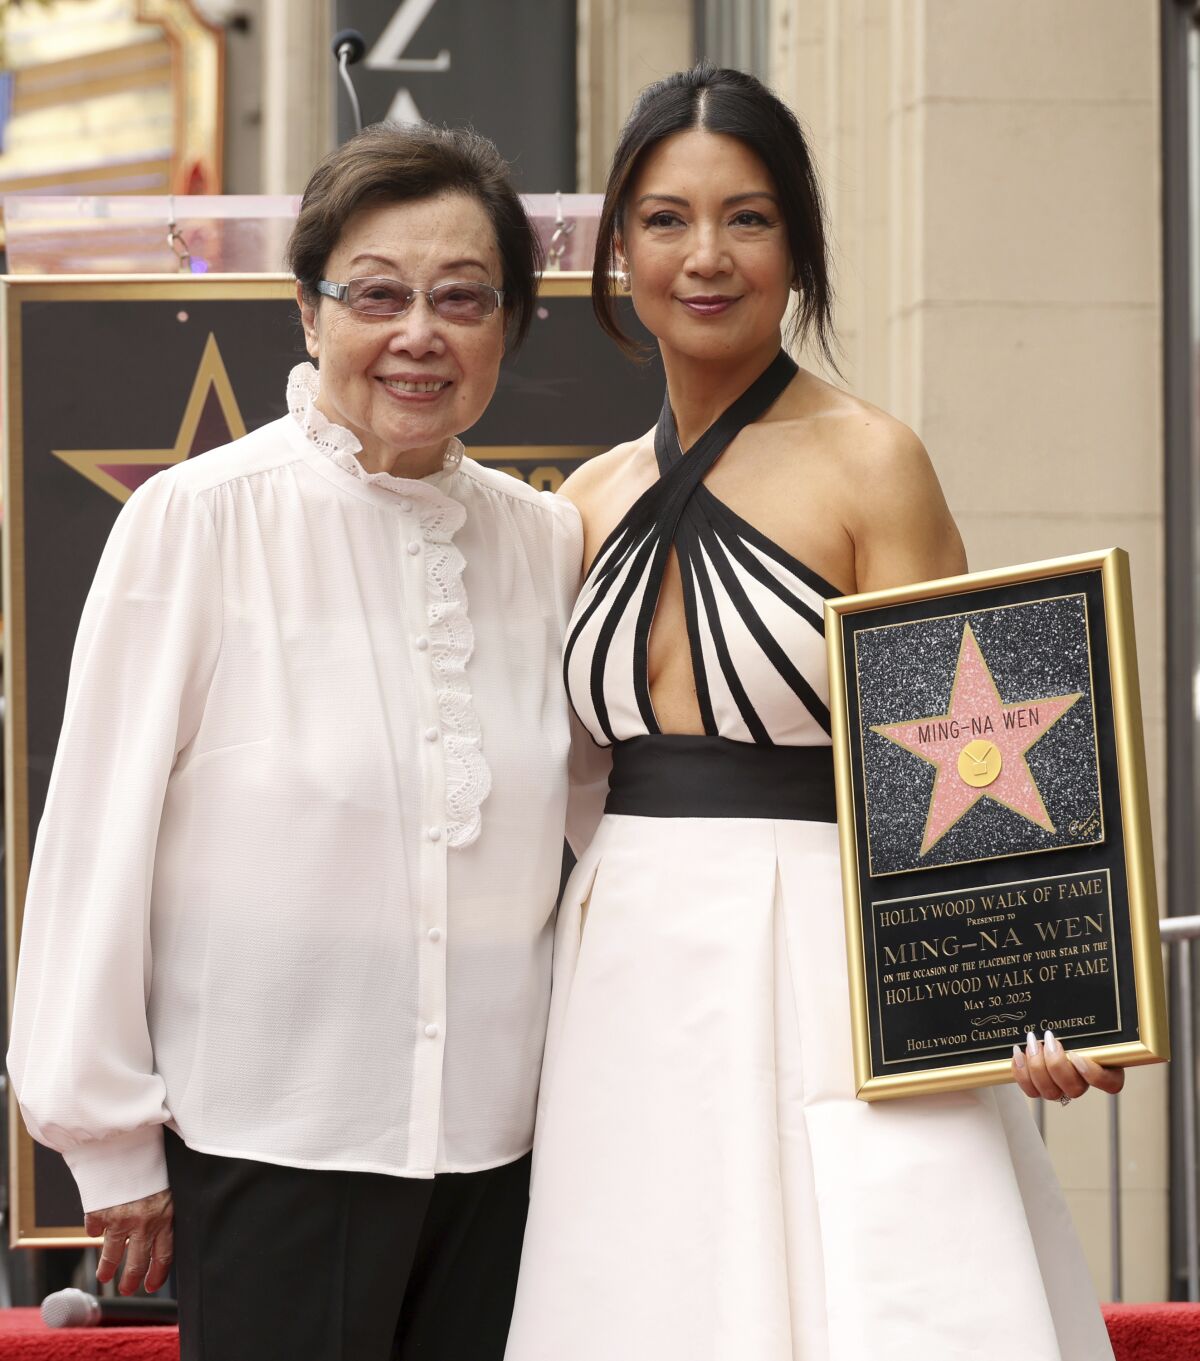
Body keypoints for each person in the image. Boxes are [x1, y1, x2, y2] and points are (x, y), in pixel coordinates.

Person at [504, 64, 1123, 1361]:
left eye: (749, 216)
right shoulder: (585, 499)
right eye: (666, 219)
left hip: (839, 962)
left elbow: (972, 748)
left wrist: (1045, 994)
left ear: (801, 247)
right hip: (625, 968)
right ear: (619, 243)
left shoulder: (871, 460)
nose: (706, 255)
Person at [8, 122, 582, 1361]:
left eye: (463, 297)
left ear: (512, 325)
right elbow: (96, 831)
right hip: (274, 1141)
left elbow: (600, 835)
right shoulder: (197, 519)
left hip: (504, 1155)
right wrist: (106, 1137)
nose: (419, 332)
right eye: (376, 293)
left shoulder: (547, 544)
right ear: (311, 314)